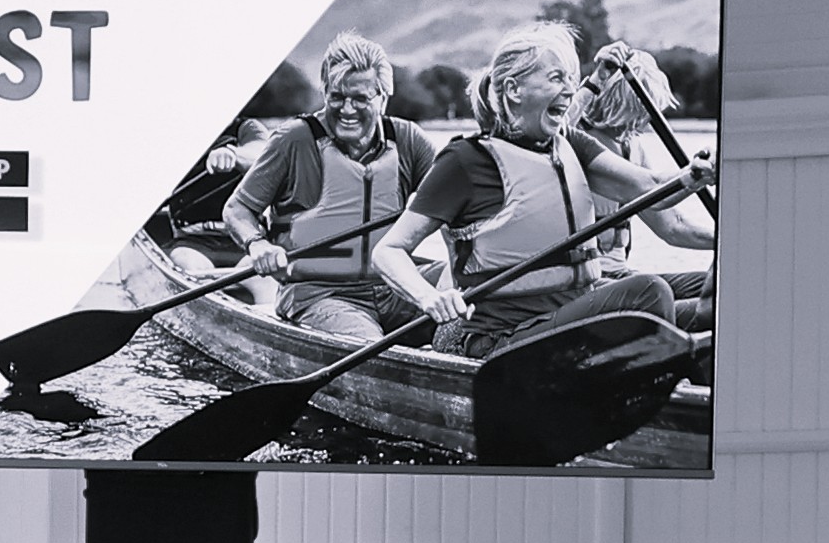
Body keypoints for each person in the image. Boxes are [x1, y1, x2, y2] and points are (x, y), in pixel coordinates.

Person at [373, 26, 711, 354]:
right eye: (556, 78)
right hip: (502, 338)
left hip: (569, 317)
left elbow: (652, 188)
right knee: (649, 292)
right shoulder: (464, 161)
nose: (570, 90)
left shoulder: (572, 144)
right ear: (514, 90)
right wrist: (428, 297)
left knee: (716, 296)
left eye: (570, 79)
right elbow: (388, 251)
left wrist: (697, 174)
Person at [208, 37, 440, 341]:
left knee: (471, 286)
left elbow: (455, 201)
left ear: (384, 97)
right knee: (366, 342)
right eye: (336, 97)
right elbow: (237, 209)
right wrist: (257, 244)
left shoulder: (409, 139)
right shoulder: (293, 140)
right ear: (325, 93)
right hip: (319, 294)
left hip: (394, 286)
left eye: (360, 99)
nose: (347, 109)